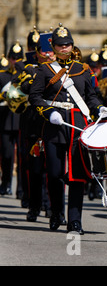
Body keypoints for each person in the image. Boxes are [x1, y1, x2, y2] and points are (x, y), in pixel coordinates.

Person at [28, 24, 107, 234]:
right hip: (54, 124)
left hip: (78, 125)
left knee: (76, 175)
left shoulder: (82, 69)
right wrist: (48, 112)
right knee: (54, 174)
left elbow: (90, 95)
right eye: (60, 45)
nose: (64, 48)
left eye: (68, 44)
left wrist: (99, 108)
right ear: (53, 47)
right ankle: (56, 213)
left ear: (72, 46)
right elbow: (34, 97)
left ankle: (75, 221)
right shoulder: (44, 70)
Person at [13, 29, 54, 221]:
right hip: (33, 122)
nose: (47, 54)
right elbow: (22, 88)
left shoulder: (62, 68)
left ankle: (53, 207)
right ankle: (35, 205)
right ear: (36, 52)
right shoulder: (27, 68)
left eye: (49, 50)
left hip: (53, 122)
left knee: (54, 166)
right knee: (35, 167)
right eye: (43, 51)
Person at [0, 41, 22, 197]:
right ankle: (6, 183)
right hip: (5, 121)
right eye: (13, 58)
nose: (15, 61)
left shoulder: (24, 75)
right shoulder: (2, 75)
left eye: (18, 58)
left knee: (22, 157)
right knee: (7, 155)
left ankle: (21, 189)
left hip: (21, 121)